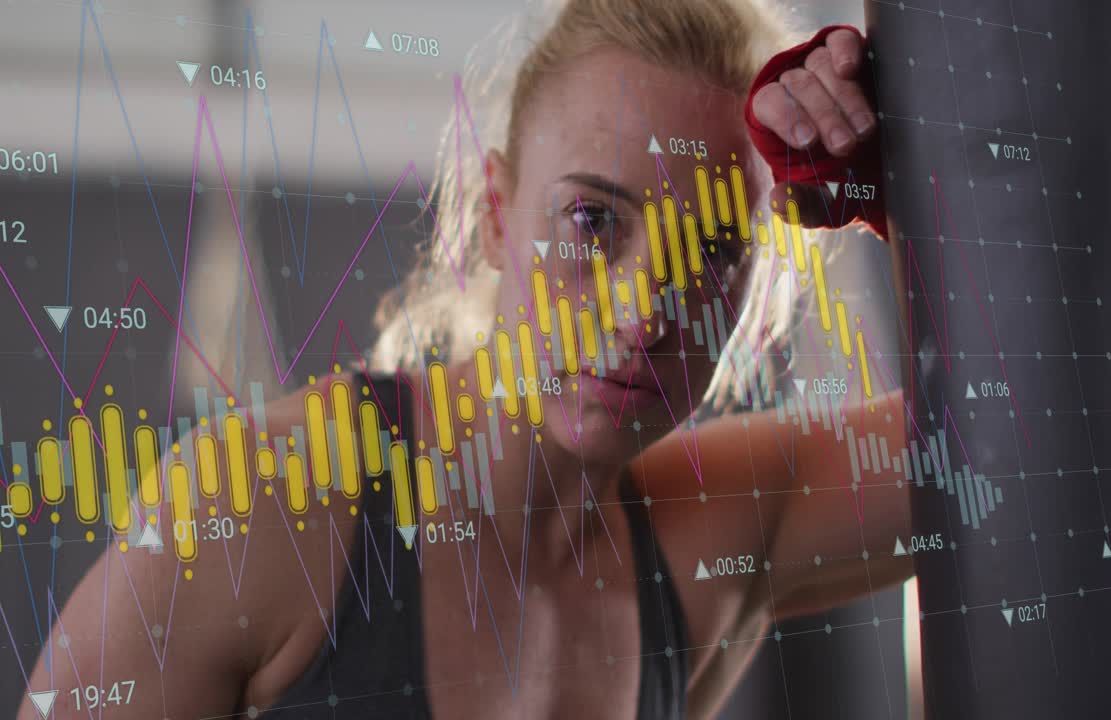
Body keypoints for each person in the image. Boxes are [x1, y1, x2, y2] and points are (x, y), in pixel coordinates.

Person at [20, 0, 910, 717]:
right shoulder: (262, 499)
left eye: (712, 250)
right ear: (493, 213)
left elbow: (985, 456)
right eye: (593, 221)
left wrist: (913, 180)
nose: (643, 312)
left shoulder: (713, 533)